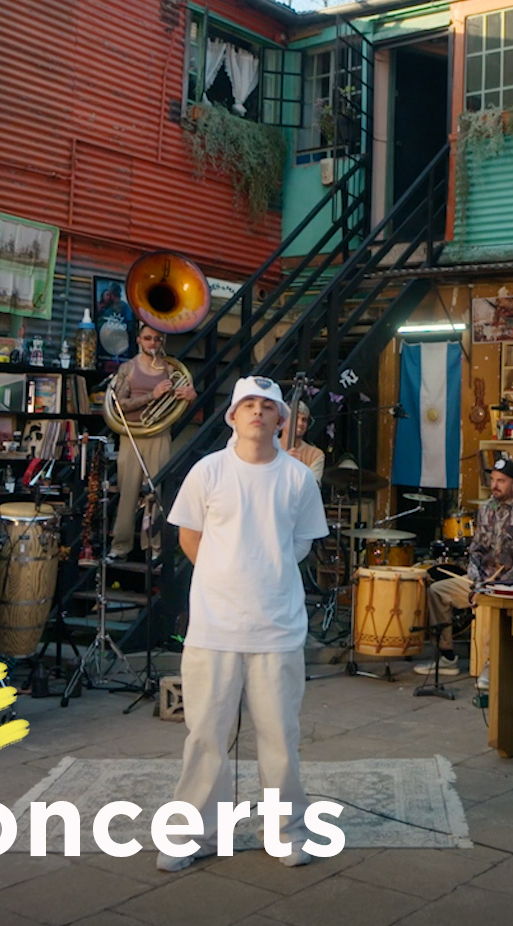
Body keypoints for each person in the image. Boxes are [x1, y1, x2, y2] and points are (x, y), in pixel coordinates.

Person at [162, 376, 329, 871]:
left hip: (277, 627)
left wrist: (262, 574)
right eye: (248, 404)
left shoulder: (298, 479)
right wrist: (225, 576)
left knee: (280, 737)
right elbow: (191, 537)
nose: (258, 412)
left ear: (282, 418)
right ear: (232, 416)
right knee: (205, 737)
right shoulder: (207, 471)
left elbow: (300, 545)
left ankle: (287, 832)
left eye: (267, 406)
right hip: (214, 626)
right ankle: (194, 834)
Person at [417, 457, 513, 691]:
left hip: (511, 584)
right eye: (493, 480)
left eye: (501, 481)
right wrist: (476, 578)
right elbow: (475, 549)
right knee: (437, 591)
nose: (495, 485)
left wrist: (503, 581)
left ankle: (490, 664)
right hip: (481, 580)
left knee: (489, 604)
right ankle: (446, 655)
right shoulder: (486, 510)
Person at [109, 323, 197, 559]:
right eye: (148, 338)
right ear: (138, 340)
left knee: (156, 493)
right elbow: (119, 404)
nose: (152, 344)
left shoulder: (170, 369)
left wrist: (190, 397)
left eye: (157, 339)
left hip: (159, 435)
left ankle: (155, 549)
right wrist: (152, 395)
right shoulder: (128, 368)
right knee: (128, 493)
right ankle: (120, 547)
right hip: (131, 436)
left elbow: (184, 403)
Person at [283, 401, 325, 482]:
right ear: (283, 420)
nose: (300, 423)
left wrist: (300, 467)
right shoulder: (270, 447)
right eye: (295, 418)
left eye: (304, 420)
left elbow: (313, 489)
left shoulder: (315, 454)